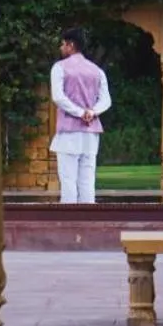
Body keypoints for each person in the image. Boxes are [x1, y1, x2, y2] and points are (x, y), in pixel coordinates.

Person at [48, 26, 111, 204]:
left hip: (69, 131)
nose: (61, 48)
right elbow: (106, 100)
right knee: (87, 180)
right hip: (91, 132)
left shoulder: (59, 68)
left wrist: (79, 112)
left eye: (62, 44)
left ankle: (69, 221)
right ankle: (89, 220)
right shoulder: (97, 71)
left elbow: (58, 97)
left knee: (68, 180)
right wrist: (92, 112)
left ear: (70, 45)